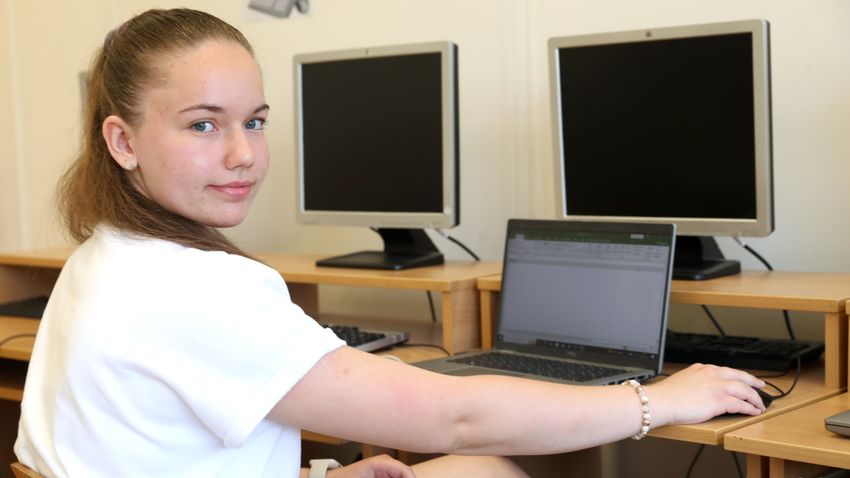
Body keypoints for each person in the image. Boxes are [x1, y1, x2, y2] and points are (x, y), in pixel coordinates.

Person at [14, 8, 768, 478]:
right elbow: (454, 417)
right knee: (482, 460)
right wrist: (656, 400)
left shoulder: (101, 257)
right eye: (203, 124)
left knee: (477, 473)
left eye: (256, 121)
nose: (244, 154)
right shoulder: (199, 287)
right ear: (122, 139)